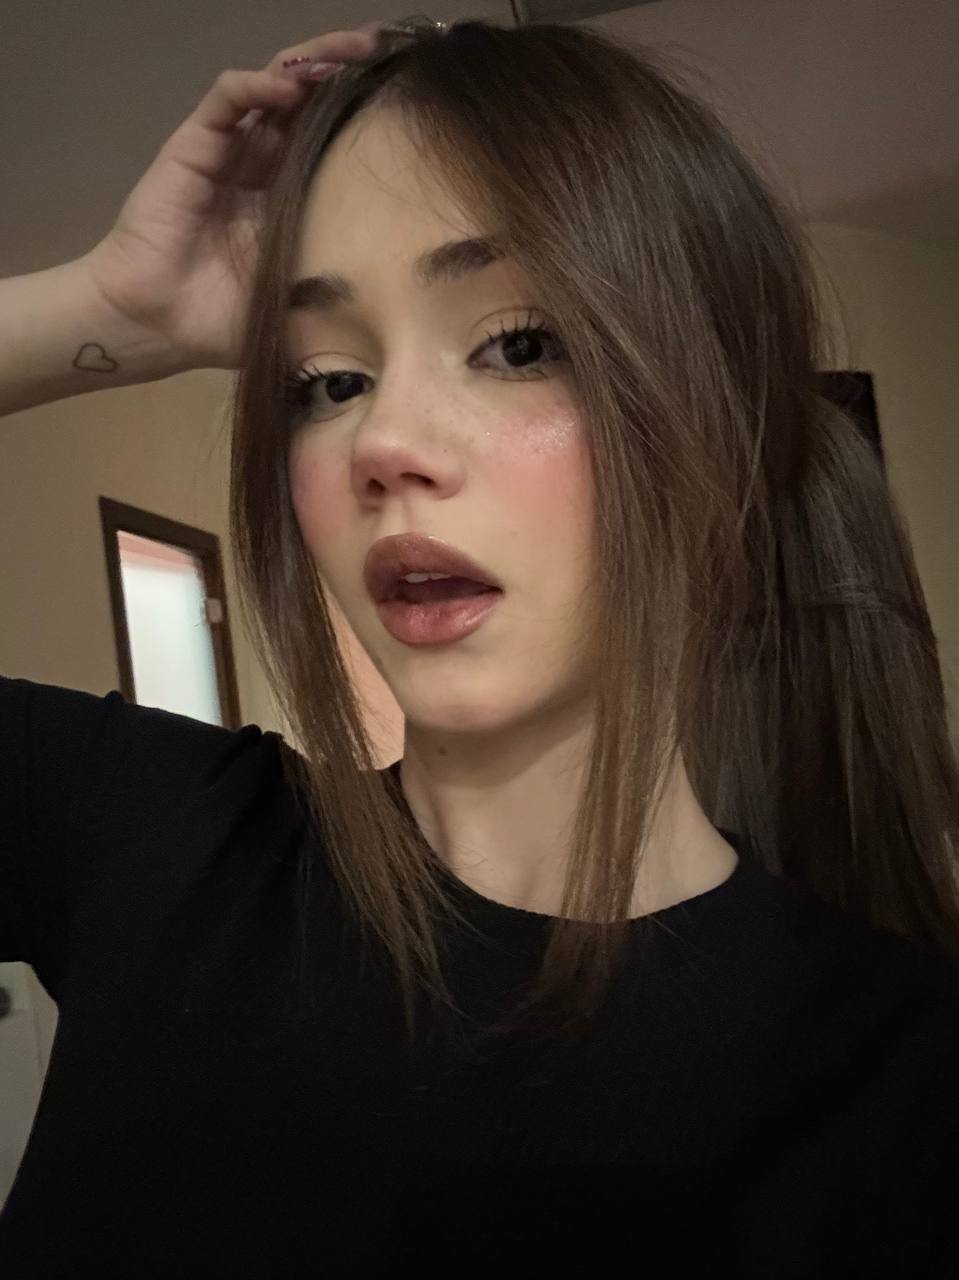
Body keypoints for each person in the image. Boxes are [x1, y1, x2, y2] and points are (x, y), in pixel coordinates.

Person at [1, 14, 958, 1279]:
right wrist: (111, 310)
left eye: (517, 344)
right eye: (328, 378)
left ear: (717, 425)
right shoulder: (156, 844)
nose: (384, 442)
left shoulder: (906, 1087)